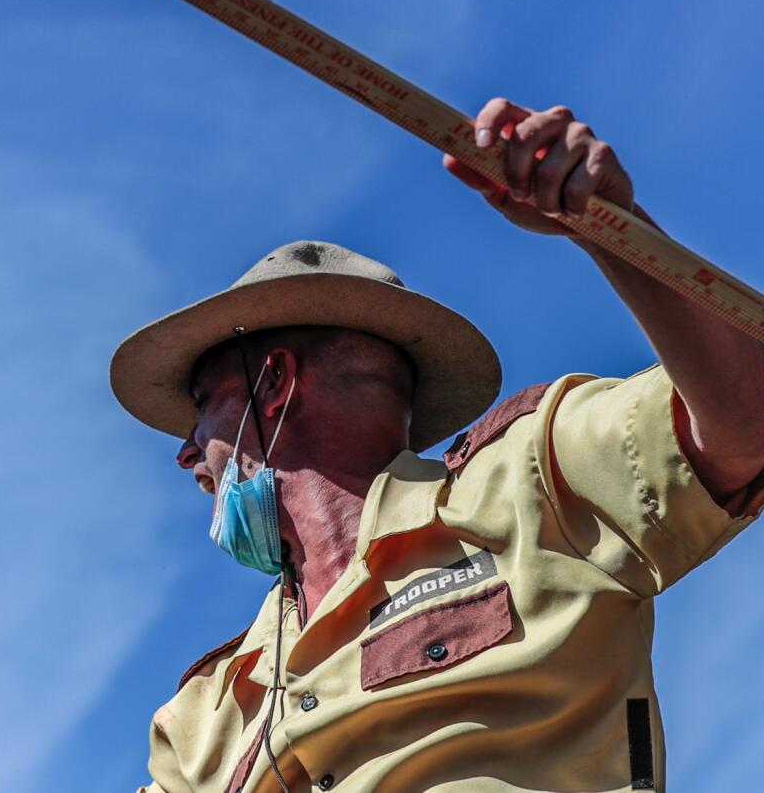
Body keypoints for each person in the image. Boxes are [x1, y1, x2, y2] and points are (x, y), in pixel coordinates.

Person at [111, 97, 764, 791]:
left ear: (273, 382)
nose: (188, 451)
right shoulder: (200, 714)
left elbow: (749, 423)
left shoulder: (531, 483)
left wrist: (611, 227)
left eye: (204, 406)